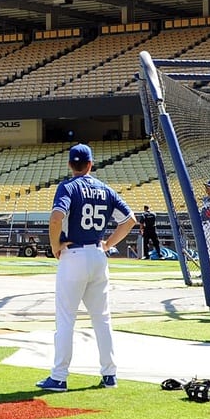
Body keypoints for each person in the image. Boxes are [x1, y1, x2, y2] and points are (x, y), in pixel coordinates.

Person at [38, 143, 136, 392]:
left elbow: (56, 217)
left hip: (74, 255)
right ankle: (110, 374)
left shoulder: (68, 187)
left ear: (71, 164)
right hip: (97, 254)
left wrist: (54, 245)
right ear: (91, 164)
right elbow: (130, 220)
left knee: (66, 319)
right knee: (102, 318)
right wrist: (108, 244)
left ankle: (59, 377)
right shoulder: (105, 189)